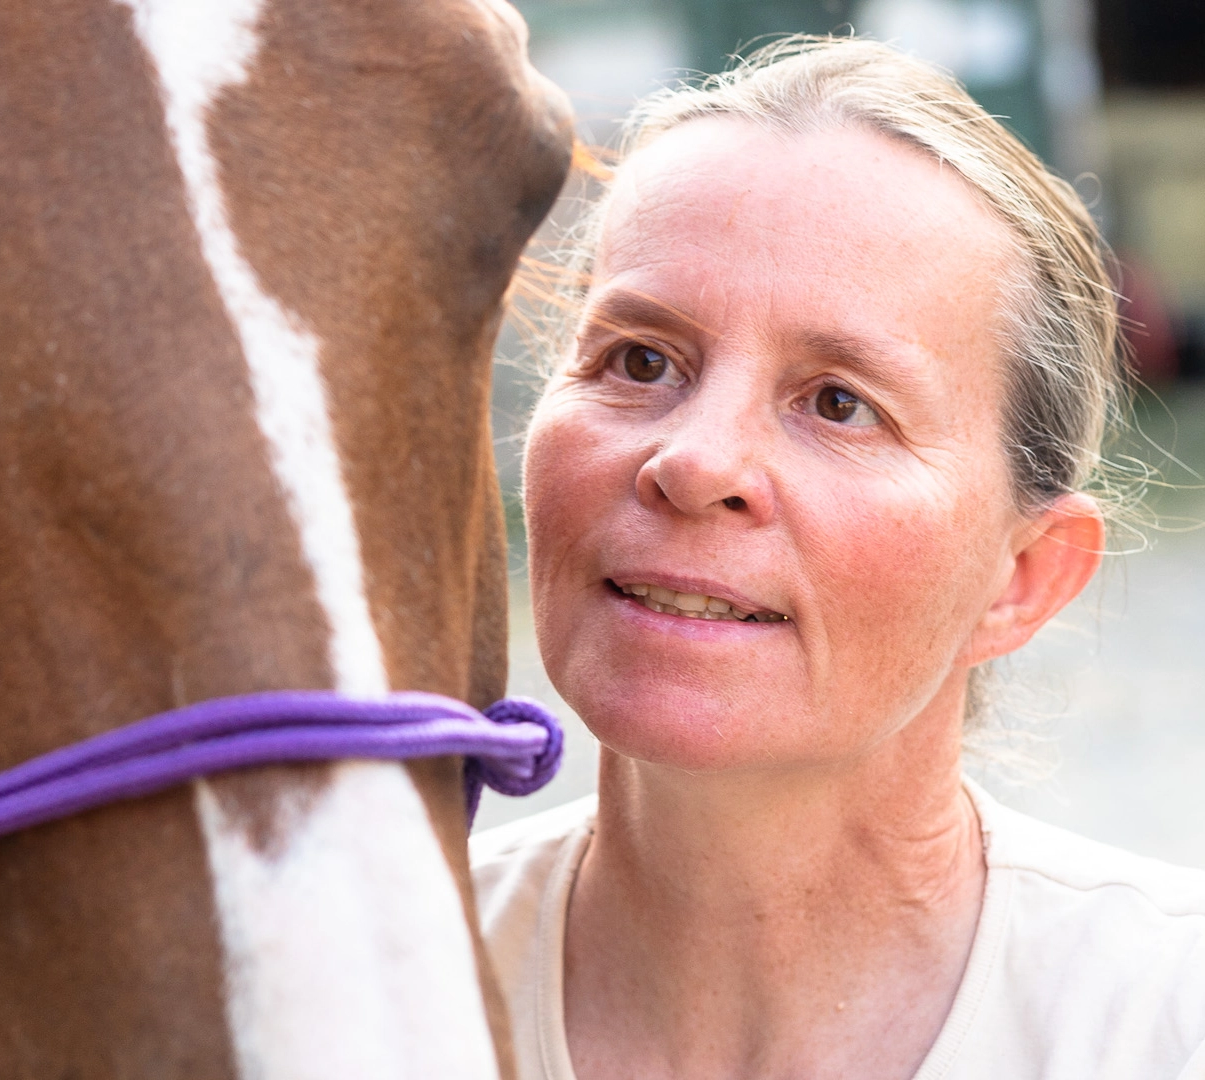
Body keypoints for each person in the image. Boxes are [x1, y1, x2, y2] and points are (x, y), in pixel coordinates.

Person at [472, 37, 1205, 1080]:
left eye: (839, 404)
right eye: (640, 360)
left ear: (1023, 578)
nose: (694, 462)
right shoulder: (339, 1000)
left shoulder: (1165, 1026)